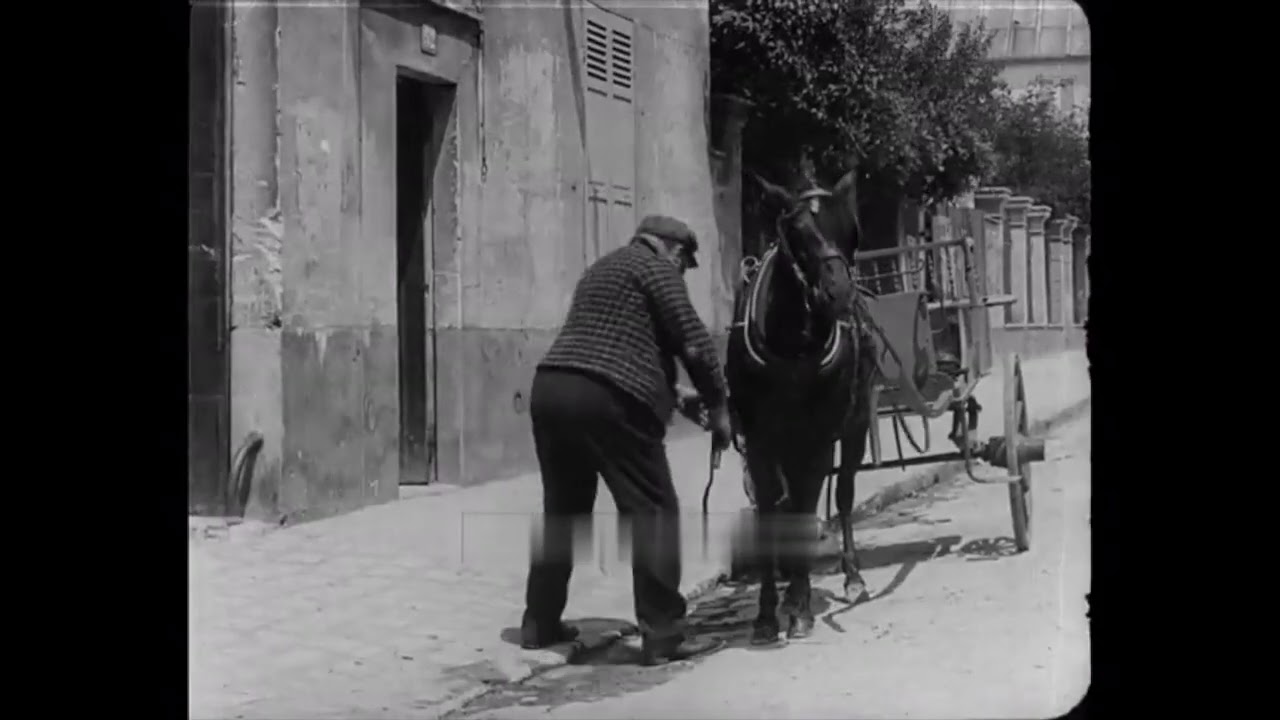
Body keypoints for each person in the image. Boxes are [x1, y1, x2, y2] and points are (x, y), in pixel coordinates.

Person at [521, 214, 733, 665]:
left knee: (564, 512)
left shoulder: (603, 268)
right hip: (607, 400)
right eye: (685, 263)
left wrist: (672, 394)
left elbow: (611, 346)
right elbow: (693, 341)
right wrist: (718, 407)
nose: (682, 272)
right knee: (654, 512)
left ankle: (539, 623)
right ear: (673, 251)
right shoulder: (657, 270)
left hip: (553, 388)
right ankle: (665, 635)